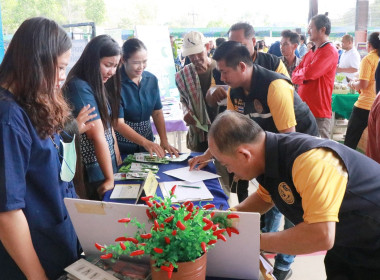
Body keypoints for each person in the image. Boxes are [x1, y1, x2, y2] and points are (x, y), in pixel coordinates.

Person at [209, 110, 380, 279]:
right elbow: (264, 197)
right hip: (348, 241)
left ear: (244, 154)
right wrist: (224, 218)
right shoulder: (268, 157)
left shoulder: (310, 162)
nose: (229, 171)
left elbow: (320, 235)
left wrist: (252, 240)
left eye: (226, 165)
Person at [0, 17, 81, 279]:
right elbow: (7, 213)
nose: (61, 78)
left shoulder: (29, 102)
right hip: (32, 258)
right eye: (58, 68)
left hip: (55, 239)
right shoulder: (8, 117)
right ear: (37, 61)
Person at [64, 35, 124, 200]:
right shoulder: (78, 86)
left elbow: (107, 127)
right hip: (94, 172)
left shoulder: (97, 83)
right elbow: (96, 135)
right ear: (92, 60)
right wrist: (110, 178)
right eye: (107, 65)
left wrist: (117, 159)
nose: (112, 72)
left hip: (107, 167)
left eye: (115, 66)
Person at [115, 38, 178, 157]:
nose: (141, 67)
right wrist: (145, 142)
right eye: (136, 62)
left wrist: (164, 141)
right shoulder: (114, 83)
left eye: (144, 61)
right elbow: (118, 124)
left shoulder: (151, 80)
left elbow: (157, 112)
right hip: (122, 147)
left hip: (148, 145)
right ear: (123, 60)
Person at [292, 14, 339, 138]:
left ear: (322, 29)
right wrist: (304, 77)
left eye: (311, 27)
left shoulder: (329, 51)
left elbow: (309, 73)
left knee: (319, 152)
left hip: (319, 112)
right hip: (304, 109)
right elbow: (294, 74)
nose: (308, 31)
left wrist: (303, 75)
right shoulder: (312, 51)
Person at [175, 31, 222, 152]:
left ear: (207, 47)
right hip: (198, 134)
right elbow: (183, 100)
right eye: (191, 55)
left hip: (223, 131)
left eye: (198, 53)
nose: (195, 58)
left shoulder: (221, 68)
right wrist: (185, 111)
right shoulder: (183, 75)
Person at [344, 32, 380, 150]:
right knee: (374, 144)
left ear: (369, 45)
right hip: (377, 106)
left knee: (350, 141)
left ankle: (346, 166)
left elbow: (363, 84)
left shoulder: (368, 59)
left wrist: (353, 84)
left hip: (365, 106)